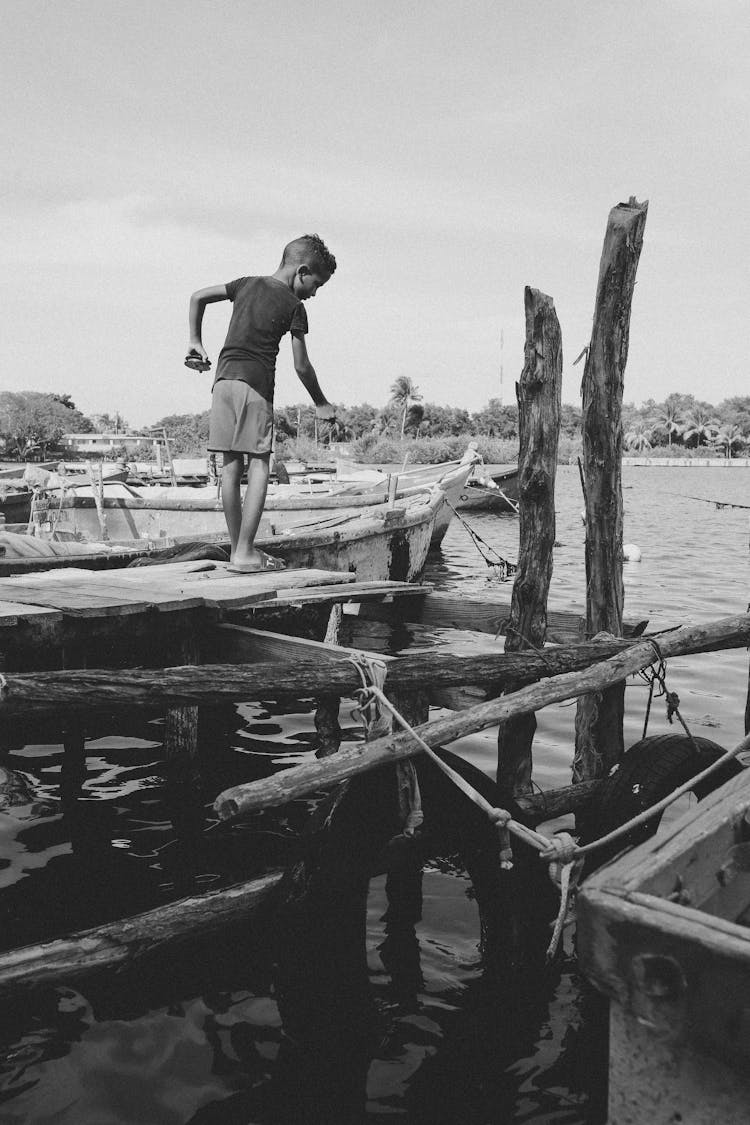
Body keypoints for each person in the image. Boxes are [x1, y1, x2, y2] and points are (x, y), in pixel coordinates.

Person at [185, 234, 337, 572]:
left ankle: (240, 550)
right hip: (255, 385)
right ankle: (244, 553)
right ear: (302, 271)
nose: (314, 293)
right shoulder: (294, 307)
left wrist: (195, 341)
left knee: (229, 466)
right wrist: (321, 403)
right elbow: (301, 365)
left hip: (223, 382)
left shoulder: (245, 284)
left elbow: (197, 297)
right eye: (317, 284)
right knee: (259, 464)